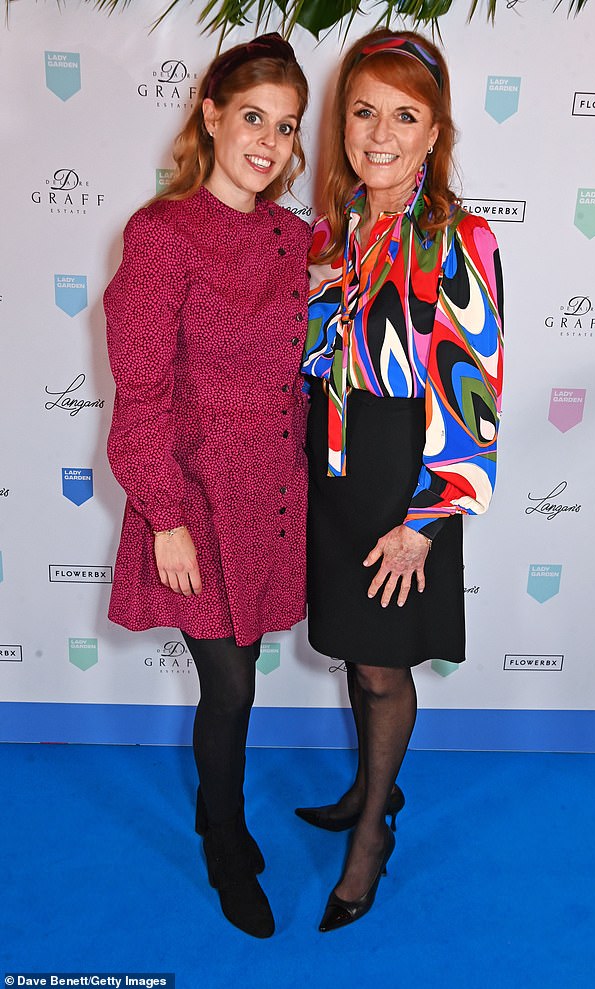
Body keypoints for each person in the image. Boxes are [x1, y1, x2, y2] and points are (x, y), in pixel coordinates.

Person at [104, 33, 311, 939]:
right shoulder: (160, 236)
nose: (269, 142)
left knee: (244, 680)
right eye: (255, 117)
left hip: (276, 494)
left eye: (288, 127)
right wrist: (166, 519)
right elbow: (140, 393)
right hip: (196, 502)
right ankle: (224, 841)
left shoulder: (296, 236)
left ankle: (213, 815)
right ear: (213, 114)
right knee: (228, 688)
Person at [297, 29, 504, 931]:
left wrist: (426, 517)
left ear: (434, 133)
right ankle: (368, 787)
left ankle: (374, 831)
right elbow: (314, 360)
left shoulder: (460, 236)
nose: (380, 133)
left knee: (383, 668)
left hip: (403, 472)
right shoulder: (335, 229)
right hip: (333, 459)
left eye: (405, 116)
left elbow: (474, 388)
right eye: (364, 111)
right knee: (355, 647)